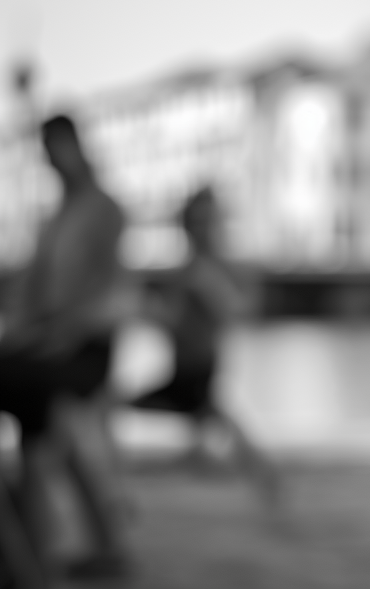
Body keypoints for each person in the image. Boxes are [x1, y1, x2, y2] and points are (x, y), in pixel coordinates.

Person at [0, 115, 132, 579]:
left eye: (54, 147)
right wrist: (20, 330)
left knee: (48, 421)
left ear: (74, 145)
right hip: (49, 348)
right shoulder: (55, 217)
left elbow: (110, 293)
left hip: (83, 349)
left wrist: (61, 334)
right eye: (45, 149)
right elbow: (31, 296)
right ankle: (36, 547)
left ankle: (30, 555)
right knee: (44, 431)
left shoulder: (103, 210)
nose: (50, 158)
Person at [130, 187, 279, 504]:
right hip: (196, 365)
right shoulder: (198, 267)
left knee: (209, 416)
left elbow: (231, 310)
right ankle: (261, 476)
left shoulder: (201, 271)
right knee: (214, 418)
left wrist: (155, 313)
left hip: (196, 366)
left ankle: (260, 475)